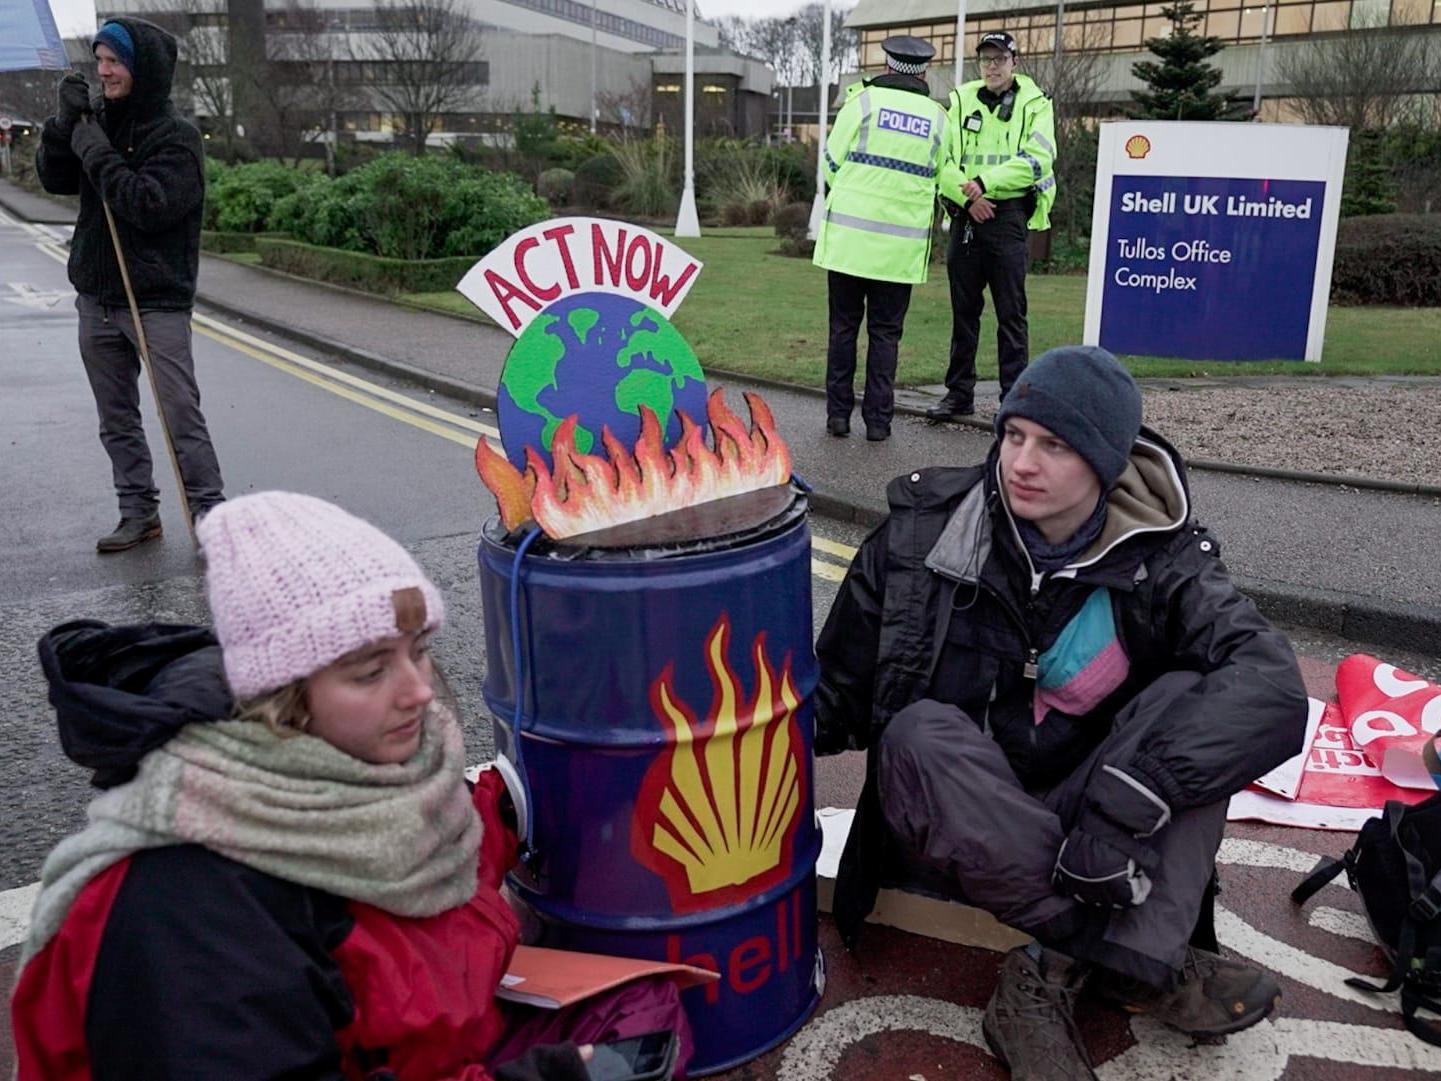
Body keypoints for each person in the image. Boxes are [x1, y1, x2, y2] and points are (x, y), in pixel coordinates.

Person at [11, 491, 693, 1080]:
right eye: (370, 671)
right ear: (284, 697)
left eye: (419, 649)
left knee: (646, 1016)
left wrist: (502, 814)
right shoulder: (188, 908)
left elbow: (415, 843)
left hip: (424, 1043)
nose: (420, 691)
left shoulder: (355, 765)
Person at [814, 346, 1308, 1079]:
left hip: (1100, 831)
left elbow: (1271, 687)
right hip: (962, 819)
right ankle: (1130, 958)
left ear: (1105, 465)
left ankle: (1042, 978)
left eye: (1054, 445)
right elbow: (836, 694)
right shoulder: (922, 535)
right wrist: (710, 738)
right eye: (1013, 435)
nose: (1021, 461)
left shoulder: (1164, 557)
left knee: (1191, 698)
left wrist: (1127, 803)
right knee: (916, 733)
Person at [36, 17, 225, 553]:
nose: (104, 71)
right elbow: (54, 178)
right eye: (99, 61)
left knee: (179, 414)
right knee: (115, 419)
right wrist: (61, 123)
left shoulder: (178, 139)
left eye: (113, 62)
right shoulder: (98, 121)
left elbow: (146, 206)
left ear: (142, 68)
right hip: (96, 297)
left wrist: (94, 146)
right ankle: (138, 512)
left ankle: (212, 519)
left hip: (155, 300)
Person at [813, 35, 949, 443]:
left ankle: (838, 417)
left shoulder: (862, 104)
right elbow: (943, 175)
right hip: (899, 251)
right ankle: (878, 423)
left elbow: (831, 164)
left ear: (888, 65)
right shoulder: (938, 117)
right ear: (923, 71)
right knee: (886, 335)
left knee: (842, 330)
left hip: (849, 246)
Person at [928, 32, 1056, 422]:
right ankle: (958, 395)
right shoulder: (961, 100)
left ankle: (1014, 402)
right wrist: (970, 198)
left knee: (1011, 315)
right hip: (968, 214)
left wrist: (986, 183)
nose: (992, 67)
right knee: (963, 314)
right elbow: (940, 159)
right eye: (986, 60)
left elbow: (1039, 160)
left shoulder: (1035, 104)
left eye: (1000, 59)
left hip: (1009, 217)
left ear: (1014, 62)